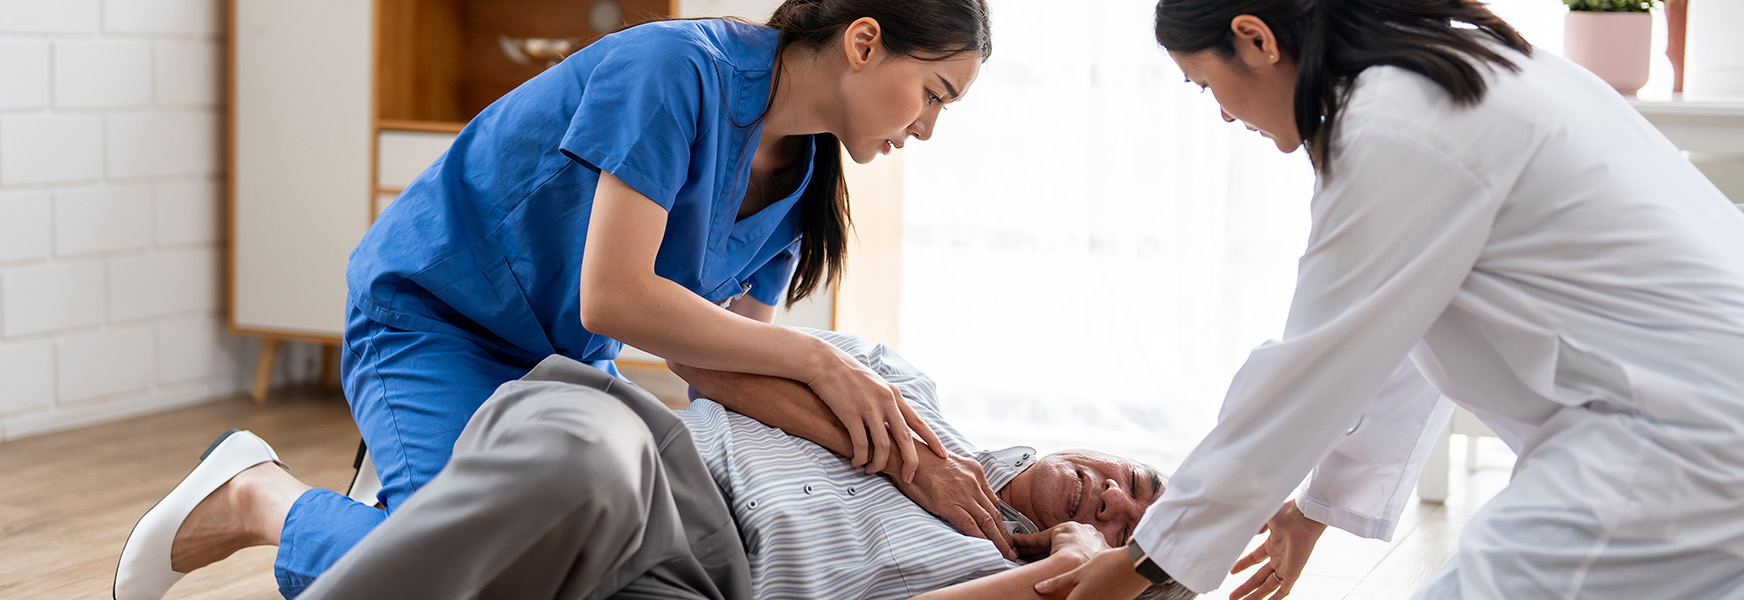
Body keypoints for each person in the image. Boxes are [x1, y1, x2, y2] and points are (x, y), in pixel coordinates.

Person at [114, 3, 999, 599]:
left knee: (553, 572)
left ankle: (397, 494)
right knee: (472, 570)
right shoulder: (675, 68)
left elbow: (719, 367)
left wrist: (907, 460)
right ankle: (259, 497)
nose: (925, 127)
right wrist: (818, 357)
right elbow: (614, 295)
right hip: (433, 318)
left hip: (561, 368)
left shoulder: (803, 182)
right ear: (863, 41)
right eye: (935, 94)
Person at [1039, 1, 1744, 599]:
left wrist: (1144, 565)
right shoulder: (1457, 71)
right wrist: (1314, 508)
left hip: (1677, 441)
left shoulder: (1392, 122)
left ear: (1255, 39)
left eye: (1202, 84)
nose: (1222, 116)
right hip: (1687, 423)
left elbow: (1309, 369)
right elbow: (1402, 335)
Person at [252, 330, 1195, 599]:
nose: (1110, 497)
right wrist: (912, 457)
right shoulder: (912, 388)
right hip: (646, 462)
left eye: (1126, 523)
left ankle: (259, 495)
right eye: (1131, 476)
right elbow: (714, 364)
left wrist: (1066, 562)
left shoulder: (999, 575)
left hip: (700, 583)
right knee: (586, 463)